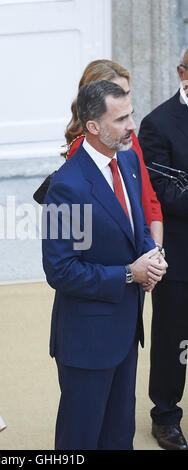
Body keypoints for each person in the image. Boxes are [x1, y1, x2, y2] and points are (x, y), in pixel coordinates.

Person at [42, 80, 168, 450]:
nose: (133, 125)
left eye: (131, 113)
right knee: (81, 438)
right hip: (87, 341)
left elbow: (138, 226)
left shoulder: (128, 160)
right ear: (93, 127)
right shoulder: (65, 187)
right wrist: (131, 273)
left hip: (126, 333)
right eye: (122, 118)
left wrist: (152, 256)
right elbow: (60, 270)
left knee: (119, 437)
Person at [138, 45, 188, 450]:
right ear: (181, 72)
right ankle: (166, 415)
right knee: (173, 340)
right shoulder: (157, 124)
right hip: (181, 253)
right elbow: (162, 191)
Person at [62, 60, 163, 246]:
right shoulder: (83, 148)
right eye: (115, 93)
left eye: (126, 93)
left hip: (147, 248)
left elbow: (149, 198)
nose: (123, 100)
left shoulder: (129, 139)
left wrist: (156, 249)